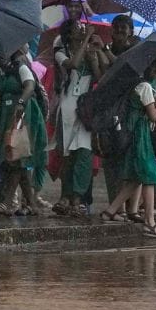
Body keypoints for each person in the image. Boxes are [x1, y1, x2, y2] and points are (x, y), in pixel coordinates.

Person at [99, 54, 156, 238]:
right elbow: (153, 117)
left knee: (135, 177)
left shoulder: (136, 84)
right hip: (140, 136)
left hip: (132, 133)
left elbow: (141, 107)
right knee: (149, 174)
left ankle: (110, 211)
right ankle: (150, 222)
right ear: (155, 69)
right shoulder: (146, 86)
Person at [53, 19, 106, 216]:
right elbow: (73, 64)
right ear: (69, 34)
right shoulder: (61, 53)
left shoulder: (90, 51)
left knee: (83, 154)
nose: (82, 29)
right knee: (67, 154)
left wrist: (96, 55)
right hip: (67, 107)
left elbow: (100, 77)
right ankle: (65, 196)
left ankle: (77, 198)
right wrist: (85, 44)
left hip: (85, 109)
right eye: (77, 28)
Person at [0, 47, 47, 217]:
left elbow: (30, 86)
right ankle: (31, 203)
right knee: (15, 159)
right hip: (6, 115)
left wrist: (21, 102)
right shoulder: (1, 70)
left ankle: (7, 202)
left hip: (22, 115)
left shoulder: (20, 67)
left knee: (17, 157)